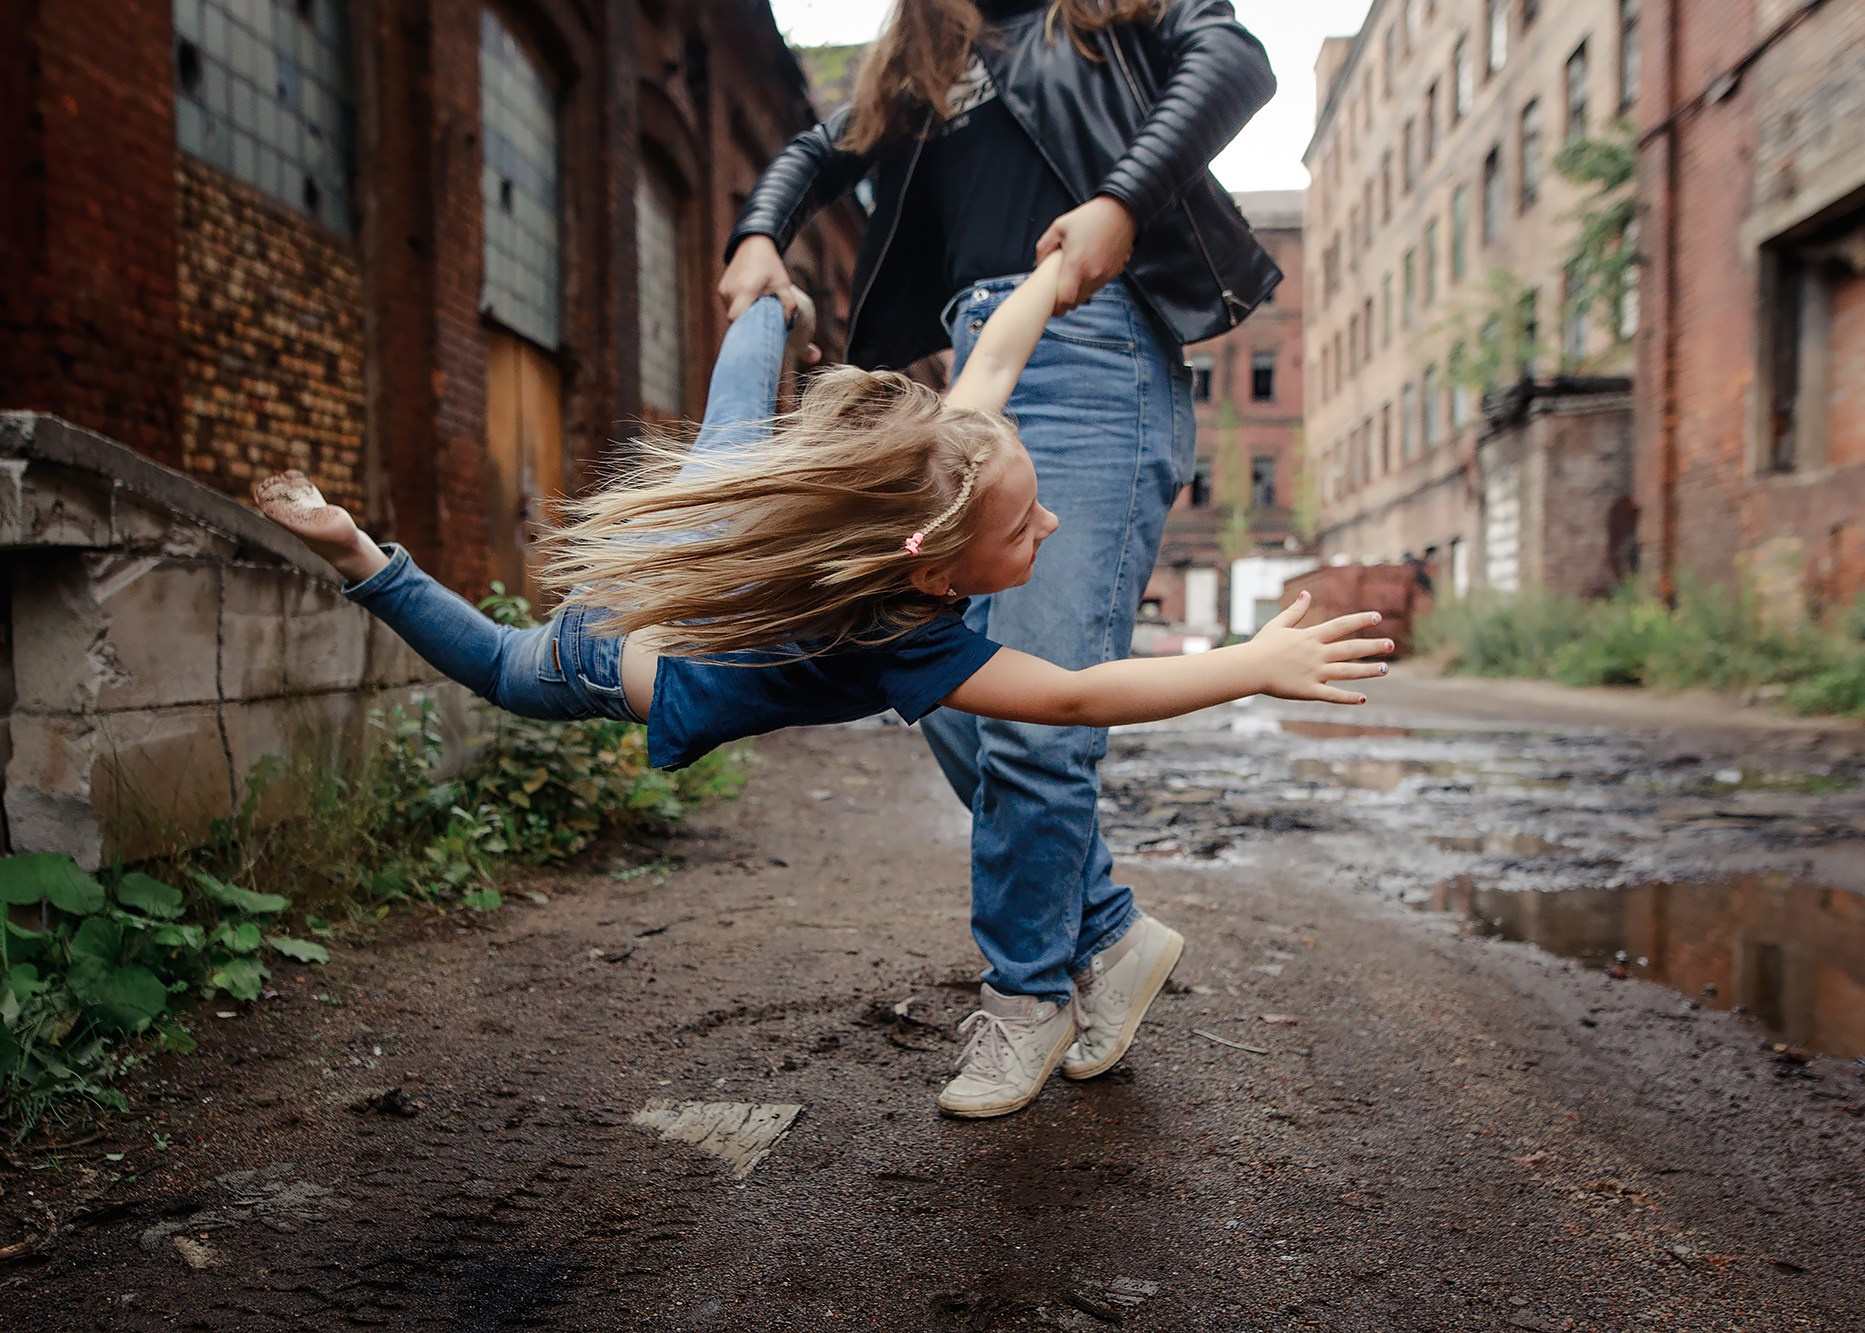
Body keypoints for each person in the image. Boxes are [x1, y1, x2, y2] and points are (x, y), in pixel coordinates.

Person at [257, 257, 1392, 1115]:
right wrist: (1248, 667)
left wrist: (1052, 273)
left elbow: (991, 359)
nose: (1047, 521)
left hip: (724, 518)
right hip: (618, 655)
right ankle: (363, 552)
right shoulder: (905, 635)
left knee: (734, 414)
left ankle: (769, 302)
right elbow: (1074, 700)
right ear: (933, 566)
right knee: (507, 667)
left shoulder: (941, 464)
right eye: (1025, 525)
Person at [719, 0, 1283, 1117]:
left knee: (1032, 714)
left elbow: (1232, 61)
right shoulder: (933, 52)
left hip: (1094, 340)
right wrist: (757, 235)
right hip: (973, 349)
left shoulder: (1102, 17)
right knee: (934, 682)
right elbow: (812, 151)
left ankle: (1029, 993)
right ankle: (1106, 934)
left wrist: (1121, 200)